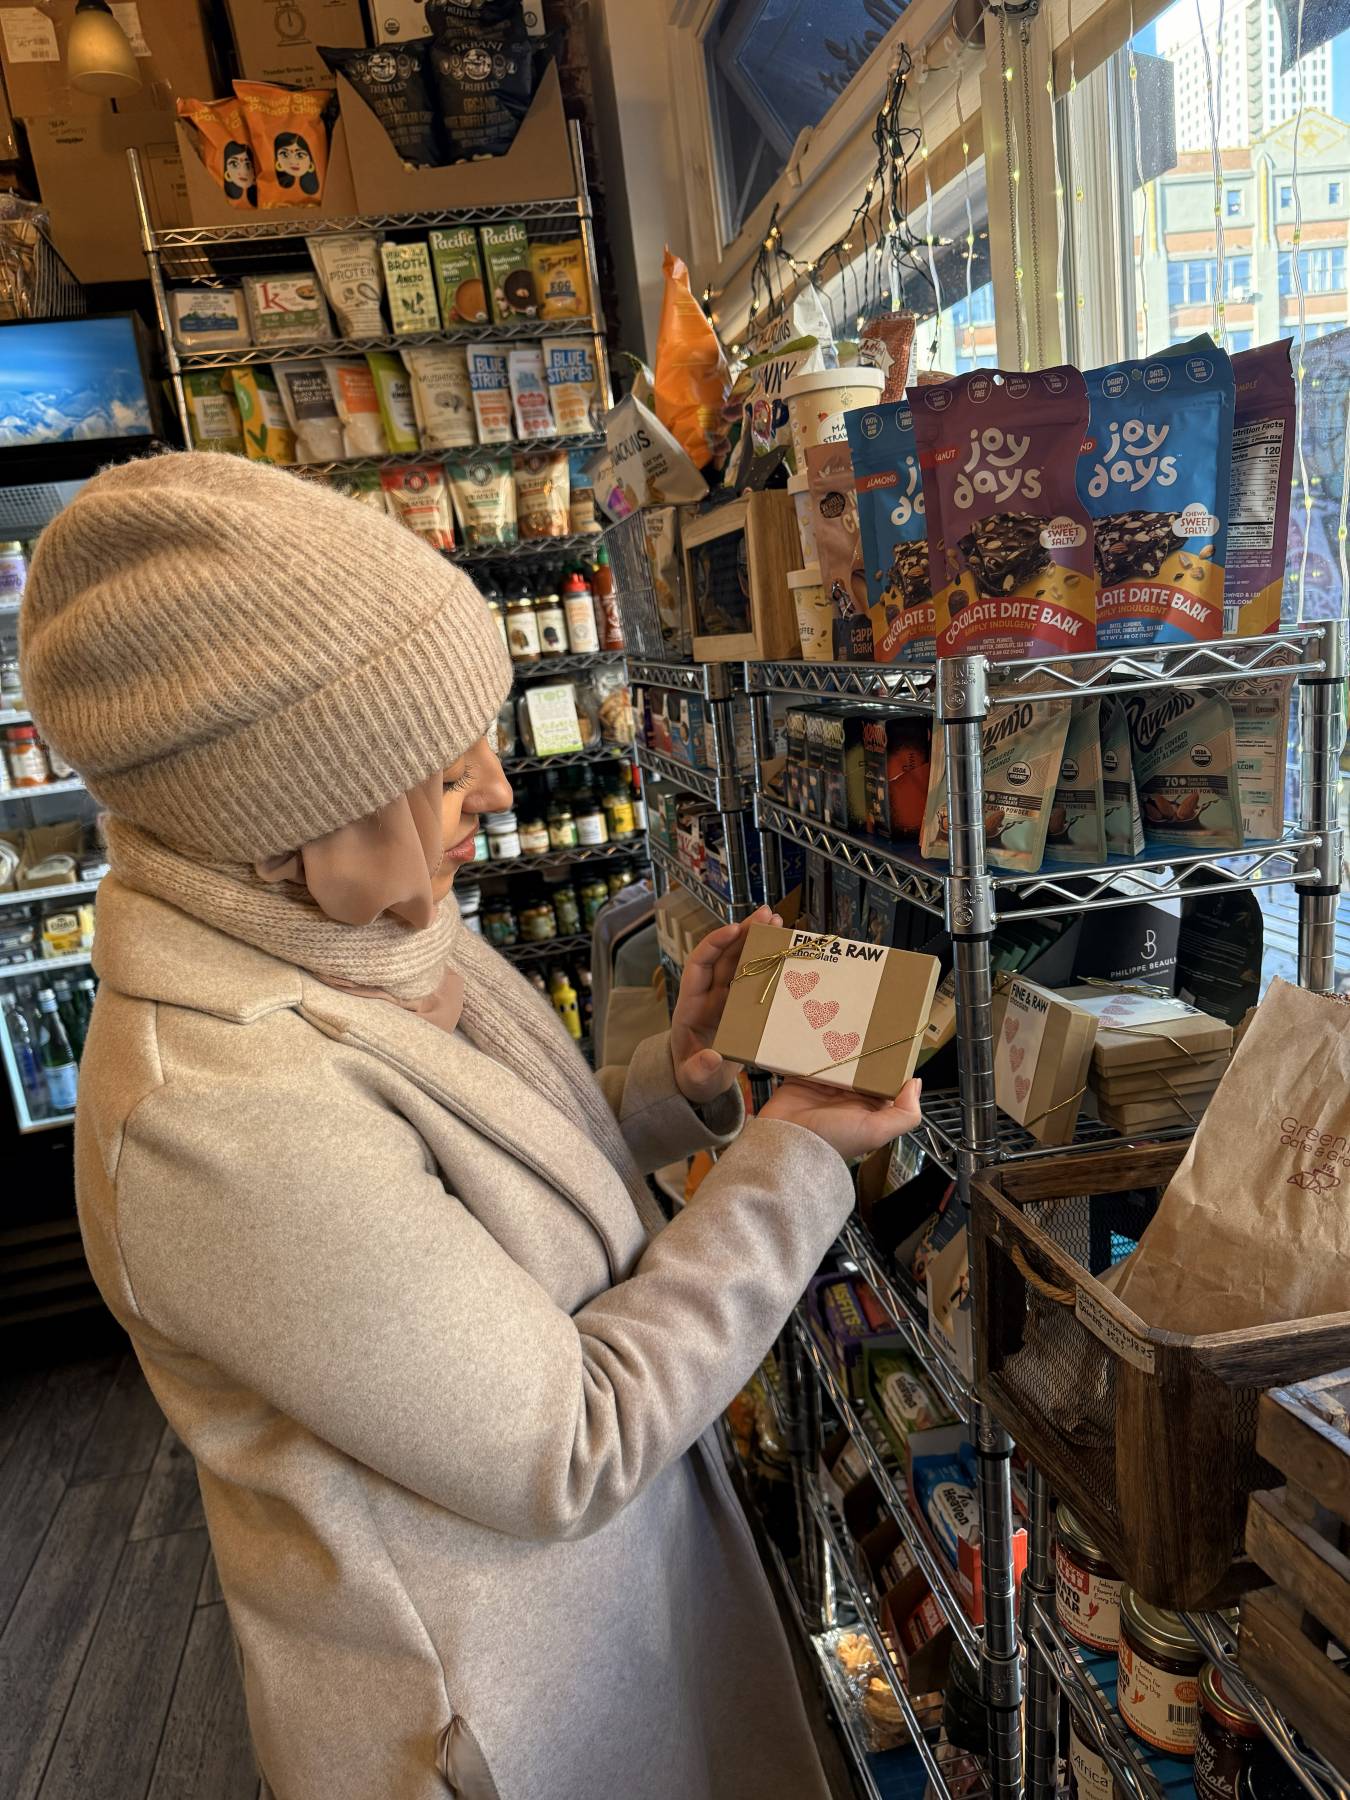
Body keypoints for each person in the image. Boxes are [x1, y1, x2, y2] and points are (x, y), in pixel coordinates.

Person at [20, 453, 922, 1800]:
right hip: (499, 1716)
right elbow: (570, 1441)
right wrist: (788, 1158)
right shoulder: (216, 1118)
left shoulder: (353, 935)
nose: (498, 794)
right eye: (445, 777)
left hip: (586, 1628)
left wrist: (670, 1089)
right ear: (292, 819)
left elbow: (470, 1190)